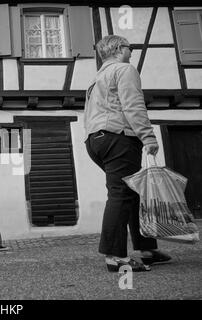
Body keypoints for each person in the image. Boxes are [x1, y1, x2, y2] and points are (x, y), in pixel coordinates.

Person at [84, 35, 171, 272]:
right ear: (120, 48)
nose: (131, 52)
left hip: (96, 140)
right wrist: (148, 136)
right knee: (122, 194)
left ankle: (146, 249)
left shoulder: (95, 79)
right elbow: (133, 104)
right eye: (129, 48)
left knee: (132, 192)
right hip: (118, 137)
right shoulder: (124, 69)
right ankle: (115, 257)